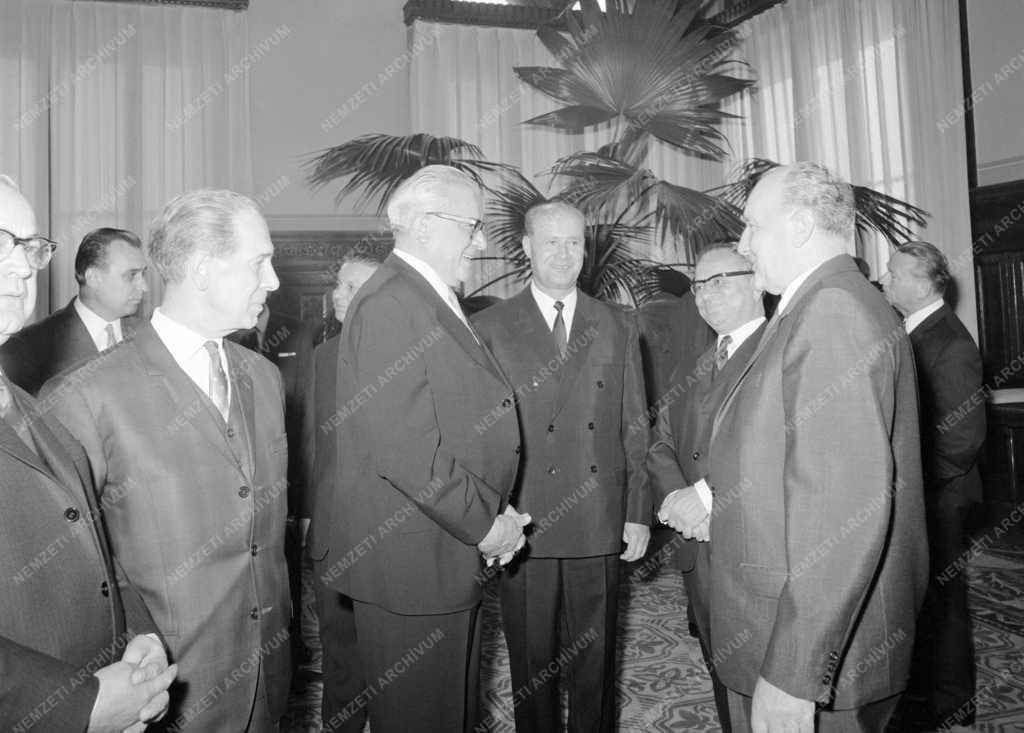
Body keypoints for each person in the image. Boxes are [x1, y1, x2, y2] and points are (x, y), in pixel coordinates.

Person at [41, 189, 291, 731]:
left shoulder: (264, 377)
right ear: (202, 269)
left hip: (270, 677)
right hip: (164, 691)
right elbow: (73, 572)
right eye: (259, 263)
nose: (273, 281)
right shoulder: (86, 395)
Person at [709, 162, 928, 732]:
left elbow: (840, 509)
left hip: (814, 652)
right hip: (791, 624)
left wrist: (793, 673)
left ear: (801, 225)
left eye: (753, 226)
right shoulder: (819, 302)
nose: (743, 244)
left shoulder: (832, 311)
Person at [311, 165, 528, 733]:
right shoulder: (390, 302)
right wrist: (485, 524)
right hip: (412, 567)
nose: (480, 242)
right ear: (427, 225)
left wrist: (490, 509)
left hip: (438, 552)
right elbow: (404, 451)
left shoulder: (422, 295)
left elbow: (452, 422)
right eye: (472, 226)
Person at [0, 176, 176, 731]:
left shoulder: (30, 408)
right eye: (1, 241)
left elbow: (87, 539)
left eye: (30, 247)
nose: (24, 267)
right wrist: (79, 706)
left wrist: (142, 638)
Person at [472, 200, 650, 733]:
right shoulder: (489, 326)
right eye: (551, 241)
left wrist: (637, 511)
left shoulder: (618, 323)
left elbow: (635, 426)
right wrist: (489, 514)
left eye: (574, 242)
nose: (564, 253)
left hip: (598, 516)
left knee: (596, 659)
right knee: (531, 662)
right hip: (524, 523)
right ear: (527, 247)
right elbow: (480, 434)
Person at [647, 244, 766, 733]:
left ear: (757, 282)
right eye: (699, 285)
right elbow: (660, 442)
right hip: (699, 553)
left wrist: (708, 499)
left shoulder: (780, 352)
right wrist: (678, 499)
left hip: (755, 552)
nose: (705, 295)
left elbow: (779, 448)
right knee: (723, 675)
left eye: (720, 281)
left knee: (765, 685)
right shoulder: (695, 363)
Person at [882, 240, 985, 729]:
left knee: (944, 606)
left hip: (939, 497)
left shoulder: (951, 344)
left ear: (924, 285)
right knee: (924, 602)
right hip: (920, 493)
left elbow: (962, 441)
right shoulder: (910, 330)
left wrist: (911, 489)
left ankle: (951, 704)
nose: (885, 279)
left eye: (894, 273)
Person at [304, 250, 381, 732]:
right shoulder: (323, 356)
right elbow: (313, 443)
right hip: (333, 533)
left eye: (353, 287)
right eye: (339, 284)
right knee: (340, 656)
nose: (338, 294)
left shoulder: (415, 352)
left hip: (392, 535)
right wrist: (309, 514)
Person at [229, 302, 316, 674]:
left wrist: (306, 500)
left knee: (285, 568)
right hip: (238, 477)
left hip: (287, 473)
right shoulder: (227, 330)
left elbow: (307, 414)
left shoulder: (299, 333)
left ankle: (290, 648)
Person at [0, 227, 146, 393]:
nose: (144, 286)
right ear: (94, 278)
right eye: (132, 275)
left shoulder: (149, 335)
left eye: (143, 274)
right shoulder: (27, 348)